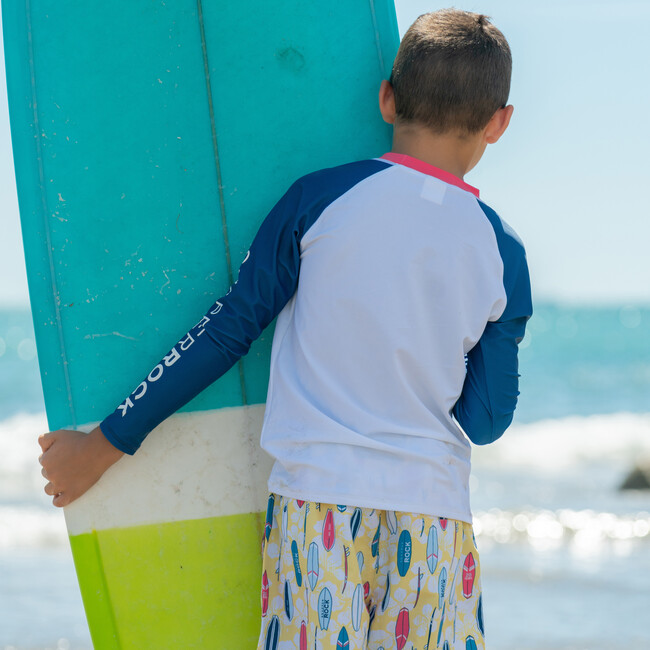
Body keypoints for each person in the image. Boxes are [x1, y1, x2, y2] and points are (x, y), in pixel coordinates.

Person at [39, 9, 532, 650]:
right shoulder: (502, 250)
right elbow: (487, 419)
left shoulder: (318, 200)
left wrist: (104, 444)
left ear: (387, 97)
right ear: (500, 122)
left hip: (317, 510)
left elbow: (227, 332)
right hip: (434, 518)